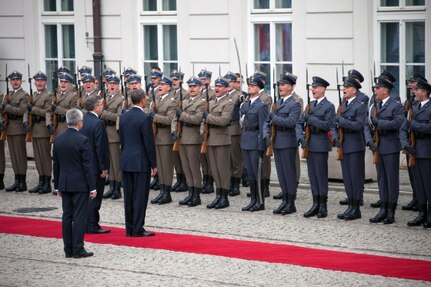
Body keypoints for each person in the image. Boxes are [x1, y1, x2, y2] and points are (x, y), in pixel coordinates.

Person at [53, 108, 96, 258]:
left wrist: (57, 186)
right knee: (79, 217)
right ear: (80, 123)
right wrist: (93, 187)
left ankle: (68, 249)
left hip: (65, 183)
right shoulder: (83, 140)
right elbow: (87, 166)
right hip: (80, 184)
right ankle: (78, 248)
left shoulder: (58, 140)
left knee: (67, 216)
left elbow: (56, 165)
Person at [366, 76, 405, 224]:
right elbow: (367, 123)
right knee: (382, 180)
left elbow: (398, 122)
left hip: (390, 146)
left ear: (386, 90)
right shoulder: (374, 105)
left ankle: (391, 211)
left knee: (391, 180)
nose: (375, 90)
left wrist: (380, 123)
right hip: (378, 146)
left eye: (378, 88)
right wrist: (370, 141)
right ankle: (382, 208)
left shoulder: (395, 105)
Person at [296, 76, 336, 218]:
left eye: (316, 87)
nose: (313, 90)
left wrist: (311, 119)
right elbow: (299, 124)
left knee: (321, 176)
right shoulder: (309, 105)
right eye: (312, 87)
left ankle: (323, 205)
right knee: (312, 176)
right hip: (309, 143)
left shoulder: (329, 106)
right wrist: (300, 137)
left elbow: (328, 125)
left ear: (323, 89)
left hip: (321, 143)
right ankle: (315, 204)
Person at [119, 89, 157, 237]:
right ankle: (138, 228)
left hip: (127, 159)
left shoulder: (123, 117)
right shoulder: (144, 118)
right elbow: (148, 143)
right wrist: (154, 164)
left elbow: (122, 139)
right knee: (140, 196)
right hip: (140, 162)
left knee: (128, 196)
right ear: (142, 101)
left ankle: (129, 228)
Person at [265, 73, 301, 215]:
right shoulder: (278, 103)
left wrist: (275, 117)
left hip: (288, 142)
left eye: (283, 84)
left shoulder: (295, 104)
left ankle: (291, 203)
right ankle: (284, 201)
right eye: (280, 84)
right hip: (277, 141)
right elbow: (267, 121)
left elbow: (291, 122)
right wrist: (266, 134)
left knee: (289, 173)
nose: (280, 87)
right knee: (281, 174)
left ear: (291, 87)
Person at [335, 76, 368, 220]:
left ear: (354, 90)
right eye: (344, 87)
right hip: (344, 144)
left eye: (347, 87)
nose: (344, 89)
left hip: (355, 145)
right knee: (347, 178)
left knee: (355, 177)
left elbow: (359, 125)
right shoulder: (343, 105)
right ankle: (350, 206)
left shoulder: (360, 106)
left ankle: (356, 209)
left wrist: (341, 121)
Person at [400, 78, 431, 228]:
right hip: (413, 150)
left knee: (428, 184)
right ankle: (421, 213)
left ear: (424, 92)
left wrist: (414, 124)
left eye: (417, 89)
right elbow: (403, 128)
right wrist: (406, 144)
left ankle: (429, 215)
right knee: (418, 184)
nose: (414, 91)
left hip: (426, 151)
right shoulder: (414, 107)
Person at [80, 95, 110, 234]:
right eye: (101, 105)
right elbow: (100, 147)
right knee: (95, 197)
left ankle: (85, 223)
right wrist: (103, 167)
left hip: (83, 163)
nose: (102, 107)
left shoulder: (82, 120)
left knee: (86, 195)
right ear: (95, 107)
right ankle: (92, 224)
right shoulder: (98, 123)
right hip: (95, 166)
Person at [174, 76, 206, 206]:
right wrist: (173, 131)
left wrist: (182, 115)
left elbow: (197, 119)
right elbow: (174, 119)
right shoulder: (185, 101)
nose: (192, 89)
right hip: (182, 137)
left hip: (193, 138)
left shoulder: (202, 102)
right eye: (190, 86)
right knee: (186, 168)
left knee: (194, 168)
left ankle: (196, 195)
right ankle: (190, 192)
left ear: (200, 88)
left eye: (194, 86)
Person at [205, 77, 235, 209]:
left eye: (220, 86)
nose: (217, 88)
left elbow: (224, 121)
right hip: (211, 139)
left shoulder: (228, 103)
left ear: (226, 89)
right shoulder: (210, 103)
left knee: (223, 170)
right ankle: (218, 195)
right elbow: (203, 120)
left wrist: (208, 117)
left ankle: (224, 197)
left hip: (222, 139)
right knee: (215, 170)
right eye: (216, 86)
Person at [241, 76, 268, 212]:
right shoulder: (245, 104)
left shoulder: (261, 105)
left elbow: (264, 126)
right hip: (246, 140)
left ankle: (260, 201)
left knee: (257, 173)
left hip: (255, 141)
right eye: (249, 85)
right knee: (250, 173)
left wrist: (262, 145)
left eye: (252, 85)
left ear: (258, 88)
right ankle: (253, 200)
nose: (249, 87)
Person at [149, 76, 178, 205]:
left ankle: (167, 193)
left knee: (166, 166)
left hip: (166, 136)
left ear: (169, 87)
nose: (159, 86)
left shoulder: (171, 101)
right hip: (157, 136)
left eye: (163, 84)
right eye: (159, 84)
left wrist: (154, 116)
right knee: (160, 166)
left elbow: (169, 119)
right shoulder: (158, 99)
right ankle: (162, 190)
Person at [27, 71, 54, 194]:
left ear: (45, 82)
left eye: (42, 81)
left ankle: (47, 183)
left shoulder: (48, 96)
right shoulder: (33, 96)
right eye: (37, 81)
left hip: (43, 129)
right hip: (35, 130)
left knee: (45, 157)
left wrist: (34, 110)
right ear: (34, 83)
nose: (39, 83)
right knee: (37, 158)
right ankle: (41, 181)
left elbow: (47, 112)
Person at [4, 71, 29, 192]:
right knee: (13, 156)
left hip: (18, 127)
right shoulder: (8, 95)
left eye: (17, 80)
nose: (15, 82)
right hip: (9, 128)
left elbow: (22, 110)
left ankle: (22, 182)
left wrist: (8, 107)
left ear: (21, 81)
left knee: (20, 156)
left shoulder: (24, 95)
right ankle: (17, 180)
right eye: (13, 80)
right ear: (10, 82)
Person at [101, 75, 124, 200]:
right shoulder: (106, 98)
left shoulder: (121, 99)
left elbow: (118, 117)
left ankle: (117, 188)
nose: (112, 86)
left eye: (114, 84)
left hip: (115, 134)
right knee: (109, 162)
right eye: (110, 84)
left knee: (116, 162)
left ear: (118, 86)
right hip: (106, 132)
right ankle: (111, 185)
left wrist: (104, 113)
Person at [225, 72, 244, 197]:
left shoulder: (239, 95)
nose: (229, 84)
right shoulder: (224, 96)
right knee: (228, 159)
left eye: (231, 82)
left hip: (234, 129)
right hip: (224, 131)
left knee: (236, 158)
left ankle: (236, 183)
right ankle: (230, 181)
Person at [170, 70, 188, 193]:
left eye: (176, 80)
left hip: (183, 127)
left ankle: (185, 181)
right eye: (172, 79)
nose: (174, 82)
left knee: (183, 158)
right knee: (176, 157)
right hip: (173, 126)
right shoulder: (170, 94)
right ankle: (180, 180)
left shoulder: (185, 94)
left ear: (181, 81)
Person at [52, 73, 79, 139]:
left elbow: (73, 113)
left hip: (66, 127)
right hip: (56, 126)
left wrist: (58, 109)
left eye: (65, 82)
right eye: (61, 82)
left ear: (69, 84)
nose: (63, 84)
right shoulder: (55, 96)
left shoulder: (73, 96)